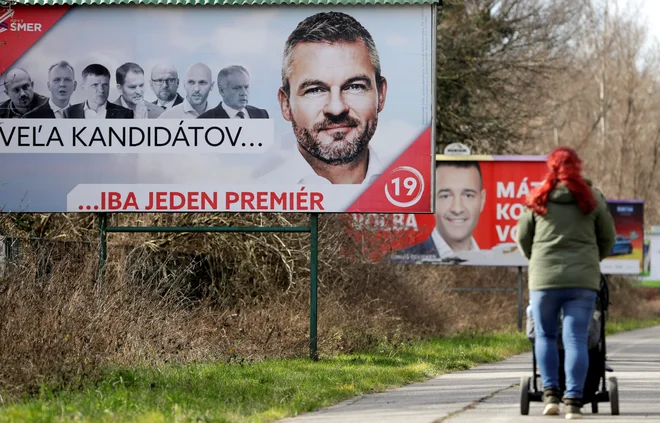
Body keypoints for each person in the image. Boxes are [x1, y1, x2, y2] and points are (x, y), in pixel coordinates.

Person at [516, 147, 616, 419]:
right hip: (582, 281)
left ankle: (551, 396)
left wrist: (536, 260)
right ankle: (574, 401)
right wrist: (593, 259)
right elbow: (608, 236)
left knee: (546, 336)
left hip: (544, 279)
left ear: (551, 168)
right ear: (578, 167)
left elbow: (523, 237)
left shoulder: (539, 196)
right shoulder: (592, 198)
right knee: (576, 340)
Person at [258, 11, 387, 184]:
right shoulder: (261, 194)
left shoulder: (412, 187)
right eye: (315, 90)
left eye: (355, 86)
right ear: (286, 104)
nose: (336, 108)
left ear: (381, 95)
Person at [391, 160, 485, 262]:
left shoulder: (494, 261)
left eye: (468, 195)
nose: (457, 209)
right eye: (446, 196)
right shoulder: (397, 261)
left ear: (482, 200)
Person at [62, 64, 133, 119]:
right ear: (83, 87)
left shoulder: (125, 114)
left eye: (105, 85)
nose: (101, 90)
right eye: (95, 85)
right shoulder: (69, 113)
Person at [196, 65, 268, 119]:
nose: (243, 93)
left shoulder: (261, 115)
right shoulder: (206, 119)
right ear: (222, 91)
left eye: (246, 87)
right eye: (237, 88)